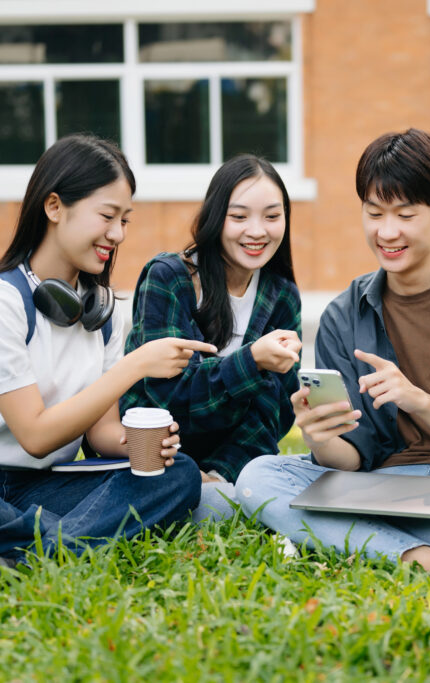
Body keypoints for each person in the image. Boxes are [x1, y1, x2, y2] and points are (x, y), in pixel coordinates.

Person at [235, 129, 430, 601]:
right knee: (258, 477)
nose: (387, 232)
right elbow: (350, 460)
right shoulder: (344, 314)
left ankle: (342, 536)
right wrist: (321, 437)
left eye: (405, 214)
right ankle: (428, 560)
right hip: (377, 486)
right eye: (374, 213)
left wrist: (418, 400)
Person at [0, 134, 214, 574]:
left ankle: (20, 552)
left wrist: (143, 444)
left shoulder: (104, 313)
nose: (118, 233)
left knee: (178, 475)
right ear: (54, 207)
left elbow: (100, 435)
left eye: (125, 220)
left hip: (38, 486)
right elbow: (34, 436)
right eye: (107, 216)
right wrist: (135, 366)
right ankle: (67, 547)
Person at [121, 155, 302, 523]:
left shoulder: (281, 295)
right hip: (158, 458)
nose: (257, 231)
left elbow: (275, 409)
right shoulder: (169, 277)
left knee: (235, 501)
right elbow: (166, 395)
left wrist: (220, 475)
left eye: (272, 216)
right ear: (216, 217)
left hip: (233, 466)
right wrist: (251, 361)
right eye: (239, 217)